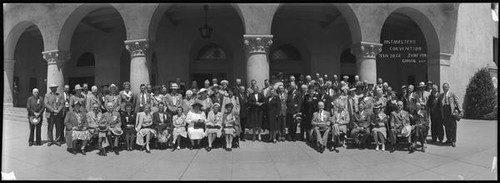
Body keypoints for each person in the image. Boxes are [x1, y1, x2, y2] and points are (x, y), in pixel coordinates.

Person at [439, 83, 461, 147]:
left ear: (448, 87)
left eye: (445, 87)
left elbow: (457, 101)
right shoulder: (441, 95)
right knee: (447, 127)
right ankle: (449, 139)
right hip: (445, 111)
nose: (444, 88)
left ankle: (453, 141)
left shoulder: (452, 94)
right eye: (443, 87)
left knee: (453, 127)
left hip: (451, 112)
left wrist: (460, 110)